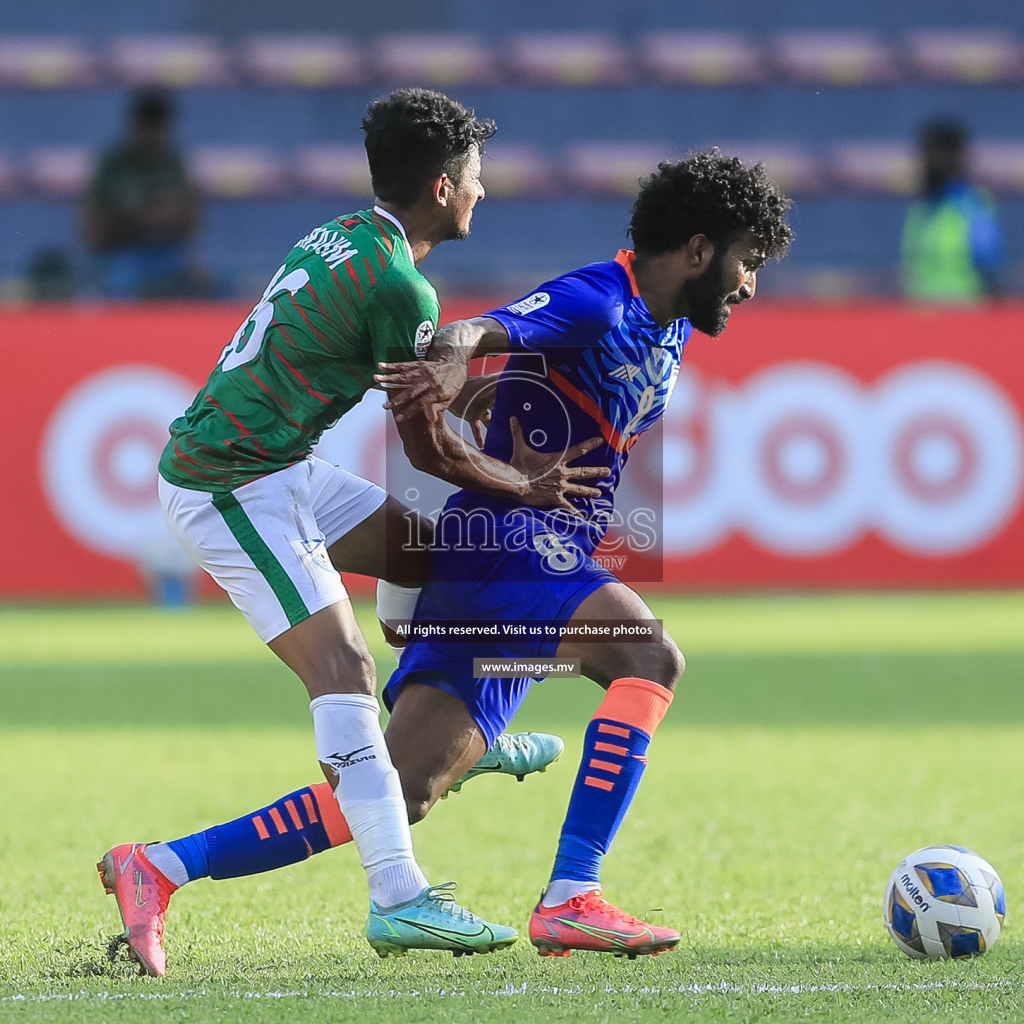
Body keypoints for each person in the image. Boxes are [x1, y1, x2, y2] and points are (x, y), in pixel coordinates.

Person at [103, 149, 791, 966]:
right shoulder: (601, 300)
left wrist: (482, 396)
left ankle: (162, 865)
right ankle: (574, 894)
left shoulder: (667, 319)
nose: (750, 285)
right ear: (700, 250)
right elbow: (471, 331)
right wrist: (454, 366)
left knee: (401, 790)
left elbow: (516, 382)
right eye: (747, 261)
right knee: (648, 655)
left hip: (506, 557)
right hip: (513, 545)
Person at [97, 89, 604, 976]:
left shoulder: (343, 234)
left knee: (427, 553)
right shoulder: (399, 283)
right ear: (444, 186)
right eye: (477, 178)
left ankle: (445, 739)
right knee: (345, 670)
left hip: (278, 462)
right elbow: (432, 449)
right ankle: (401, 897)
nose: (484, 193)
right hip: (230, 485)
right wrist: (527, 485)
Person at [83, 89, 202, 299]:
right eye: (147, 127)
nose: (151, 136)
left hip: (168, 257)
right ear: (135, 127)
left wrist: (142, 214)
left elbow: (191, 224)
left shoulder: (173, 164)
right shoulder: (114, 166)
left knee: (205, 284)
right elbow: (95, 233)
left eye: (157, 128)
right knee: (120, 287)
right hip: (121, 258)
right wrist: (147, 217)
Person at [900, 118, 1003, 303]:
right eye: (927, 155)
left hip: (964, 316)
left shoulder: (973, 205)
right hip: (922, 317)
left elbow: (989, 265)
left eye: (939, 155)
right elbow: (911, 273)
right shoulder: (919, 208)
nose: (930, 163)